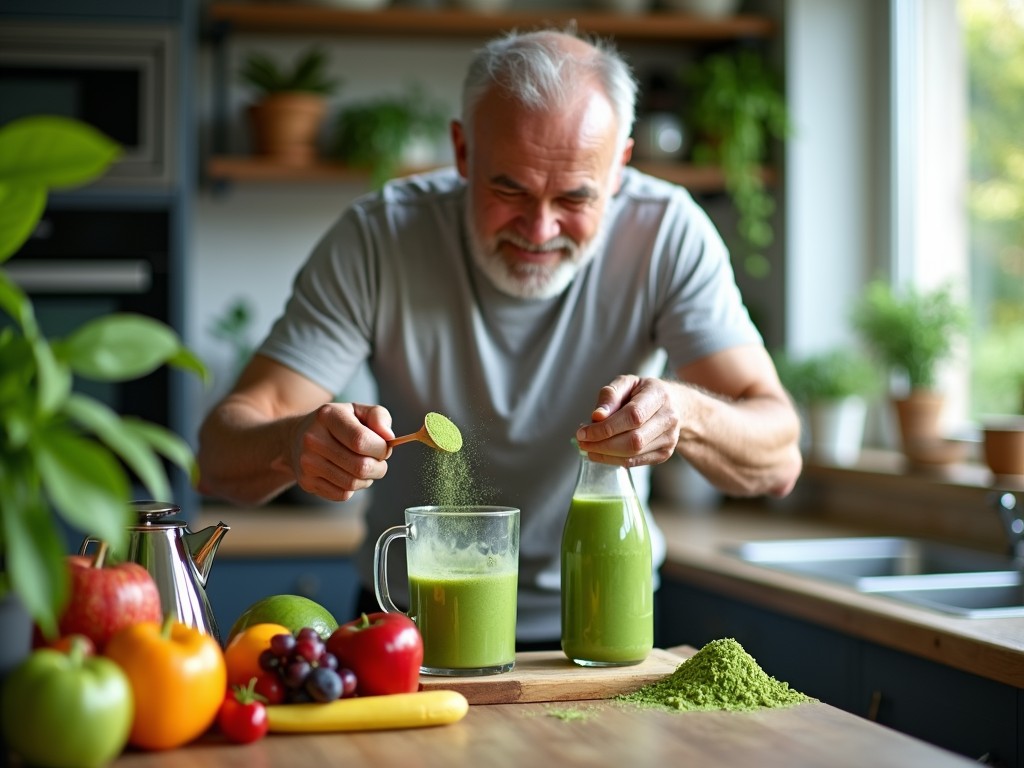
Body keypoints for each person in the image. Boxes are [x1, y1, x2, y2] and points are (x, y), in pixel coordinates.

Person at [197, 28, 802, 649]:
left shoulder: (666, 235)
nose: (539, 228)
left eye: (573, 197)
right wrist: (294, 441)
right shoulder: (380, 240)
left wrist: (687, 412)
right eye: (508, 189)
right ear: (463, 152)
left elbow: (779, 459)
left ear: (619, 167)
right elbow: (218, 458)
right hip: (408, 634)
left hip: (605, 630)